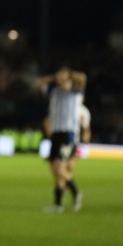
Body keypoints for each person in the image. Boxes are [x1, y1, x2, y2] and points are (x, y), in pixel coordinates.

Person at [36, 67, 87, 213]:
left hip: (67, 133)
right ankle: (58, 204)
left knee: (60, 167)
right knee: (54, 169)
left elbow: (83, 77)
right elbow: (38, 83)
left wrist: (68, 74)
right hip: (56, 133)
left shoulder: (75, 92)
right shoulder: (54, 90)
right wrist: (53, 77)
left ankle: (76, 193)